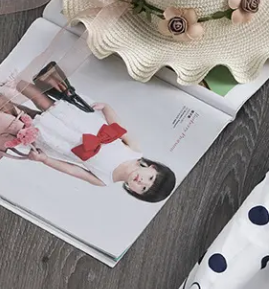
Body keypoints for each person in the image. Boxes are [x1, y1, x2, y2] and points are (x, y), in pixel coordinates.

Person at [0, 74, 176, 203]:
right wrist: (106, 108)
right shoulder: (135, 151)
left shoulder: (104, 180)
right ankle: (14, 82)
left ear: (135, 192)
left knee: (27, 121)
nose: (142, 182)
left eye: (143, 189)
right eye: (150, 178)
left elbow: (73, 170)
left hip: (65, 142)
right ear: (152, 168)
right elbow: (118, 127)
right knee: (43, 101)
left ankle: (5, 102)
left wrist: (45, 160)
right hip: (83, 125)